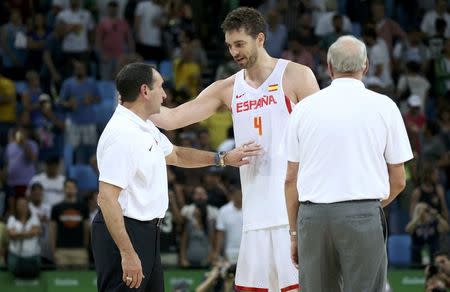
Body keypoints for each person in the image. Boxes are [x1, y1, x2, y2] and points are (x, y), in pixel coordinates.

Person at [151, 7, 319, 290]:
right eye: (229, 46)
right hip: (254, 217)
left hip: (294, 214)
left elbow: (323, 137)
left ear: (261, 39)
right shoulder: (227, 88)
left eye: (240, 44)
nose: (234, 52)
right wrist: (135, 103)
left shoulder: (297, 76)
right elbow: (173, 118)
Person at [92, 62, 261, 292]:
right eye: (160, 87)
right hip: (125, 234)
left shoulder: (145, 126)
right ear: (144, 91)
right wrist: (127, 253)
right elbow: (107, 198)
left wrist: (223, 158)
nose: (164, 94)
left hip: (148, 233)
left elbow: (177, 155)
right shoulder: (121, 134)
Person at [284, 35, 413, 291]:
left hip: (313, 217)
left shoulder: (303, 109)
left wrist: (294, 233)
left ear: (329, 67)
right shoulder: (385, 107)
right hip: (363, 214)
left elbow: (290, 178)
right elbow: (398, 180)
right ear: (365, 66)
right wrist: (365, 208)